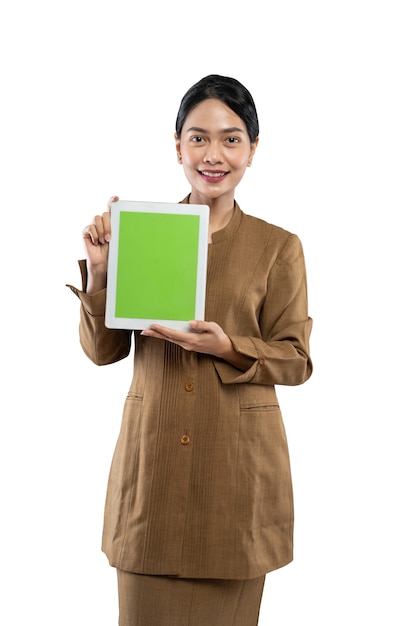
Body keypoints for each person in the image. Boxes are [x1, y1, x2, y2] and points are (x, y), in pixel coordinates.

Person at [68, 74, 313, 626]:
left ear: (253, 149)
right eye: (198, 137)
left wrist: (228, 347)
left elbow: (295, 358)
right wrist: (102, 270)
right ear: (177, 145)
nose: (214, 154)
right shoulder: (143, 232)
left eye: (231, 138)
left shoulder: (278, 247)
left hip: (236, 481)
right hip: (151, 478)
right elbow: (102, 352)